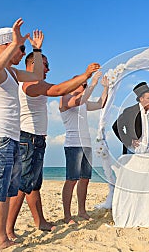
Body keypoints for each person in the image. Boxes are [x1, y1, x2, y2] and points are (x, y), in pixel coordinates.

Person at [6, 50, 101, 238]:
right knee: (23, 185)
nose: (48, 69)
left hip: (36, 139)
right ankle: (8, 230)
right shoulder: (29, 85)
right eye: (46, 65)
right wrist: (86, 76)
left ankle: (39, 221)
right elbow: (59, 90)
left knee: (33, 185)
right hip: (28, 138)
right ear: (34, 65)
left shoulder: (36, 83)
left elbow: (62, 89)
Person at [0, 18, 44, 251]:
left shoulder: (14, 74)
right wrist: (16, 42)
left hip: (13, 140)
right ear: (7, 45)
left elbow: (37, 76)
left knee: (5, 193)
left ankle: (1, 239)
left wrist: (36, 50)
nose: (21, 52)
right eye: (20, 48)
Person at [59, 71, 109, 224]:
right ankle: (67, 216)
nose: (84, 86)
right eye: (83, 84)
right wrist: (93, 83)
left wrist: (106, 88)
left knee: (85, 179)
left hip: (86, 145)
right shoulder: (65, 98)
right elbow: (78, 101)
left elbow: (101, 104)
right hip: (73, 145)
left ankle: (81, 211)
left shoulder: (84, 101)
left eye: (85, 85)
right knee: (71, 180)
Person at [112, 82, 149, 154]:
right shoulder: (130, 111)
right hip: (131, 151)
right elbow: (116, 127)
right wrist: (129, 141)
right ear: (141, 99)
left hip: (147, 151)